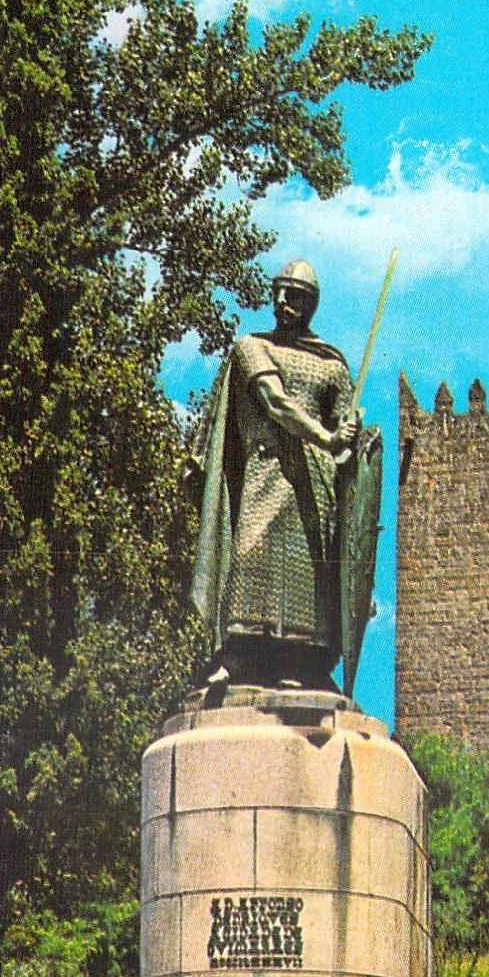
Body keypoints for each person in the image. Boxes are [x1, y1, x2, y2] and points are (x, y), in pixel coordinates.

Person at [191, 260, 362, 690]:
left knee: (309, 574)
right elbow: (275, 401)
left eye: (296, 294)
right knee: (252, 555)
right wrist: (327, 436)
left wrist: (349, 437)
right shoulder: (253, 348)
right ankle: (239, 656)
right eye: (279, 292)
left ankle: (305, 665)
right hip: (267, 476)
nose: (284, 302)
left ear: (312, 303)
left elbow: (346, 434)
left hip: (318, 485)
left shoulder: (332, 366)